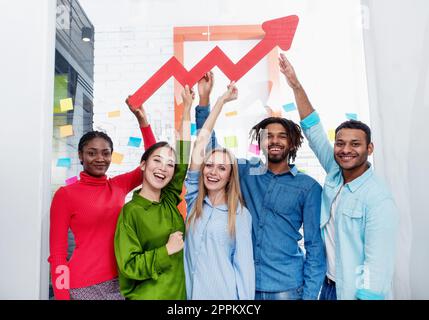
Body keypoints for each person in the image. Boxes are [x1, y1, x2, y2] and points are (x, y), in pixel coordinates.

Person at [195, 72, 326, 300]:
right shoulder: (245, 172)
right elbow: (209, 148)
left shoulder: (309, 188)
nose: (274, 140)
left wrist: (309, 296)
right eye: (268, 136)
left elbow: (315, 247)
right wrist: (204, 101)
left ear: (292, 142)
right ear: (261, 141)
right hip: (245, 285)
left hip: (287, 288)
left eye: (282, 136)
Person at [279, 53, 399, 300]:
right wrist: (295, 84)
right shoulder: (336, 172)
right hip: (328, 285)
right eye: (341, 143)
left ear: (370, 149)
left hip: (356, 294)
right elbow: (313, 130)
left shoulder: (378, 199)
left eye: (355, 144)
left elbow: (377, 265)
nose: (346, 150)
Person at [48, 99, 156, 300]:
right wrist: (62, 296)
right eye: (92, 153)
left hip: (122, 280)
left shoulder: (119, 185)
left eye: (106, 153)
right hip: (83, 286)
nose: (100, 158)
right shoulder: (65, 195)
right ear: (80, 155)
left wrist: (143, 121)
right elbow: (58, 254)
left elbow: (153, 161)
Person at [113, 86, 193, 300]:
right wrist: (166, 250)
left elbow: (183, 160)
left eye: (169, 164)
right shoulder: (131, 212)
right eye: (157, 160)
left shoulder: (168, 201)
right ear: (143, 165)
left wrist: (187, 108)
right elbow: (128, 266)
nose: (163, 168)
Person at [184, 81, 255, 300]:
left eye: (222, 168)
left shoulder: (240, 215)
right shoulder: (194, 200)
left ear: (229, 176)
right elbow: (200, 144)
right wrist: (219, 102)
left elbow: (245, 270)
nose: (213, 172)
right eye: (209, 165)